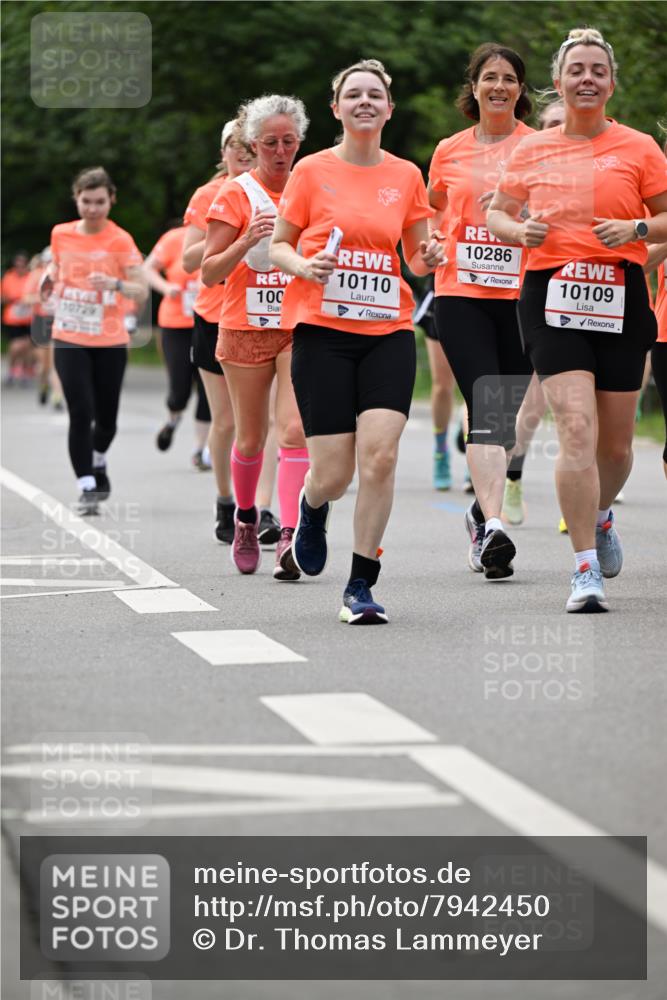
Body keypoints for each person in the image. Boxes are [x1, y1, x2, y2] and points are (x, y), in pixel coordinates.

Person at [488, 27, 667, 612]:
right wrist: (520, 231)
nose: (586, 79)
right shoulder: (533, 148)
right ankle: (583, 567)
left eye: (597, 70)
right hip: (550, 297)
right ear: (559, 83)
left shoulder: (640, 148)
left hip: (619, 294)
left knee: (615, 448)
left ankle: (603, 513)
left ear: (610, 83)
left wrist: (638, 230)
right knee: (577, 431)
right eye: (576, 70)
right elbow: (497, 214)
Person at [271, 59, 444, 622]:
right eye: (354, 95)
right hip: (322, 332)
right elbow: (278, 245)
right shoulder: (311, 171)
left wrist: (432, 256)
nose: (365, 102)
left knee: (380, 457)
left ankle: (361, 585)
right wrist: (305, 264)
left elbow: (417, 257)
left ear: (389, 109)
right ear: (336, 108)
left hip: (387, 332)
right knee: (335, 474)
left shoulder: (405, 175)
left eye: (375, 95)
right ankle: (312, 502)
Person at [428, 43, 535, 580]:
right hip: (460, 291)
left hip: (523, 295)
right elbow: (429, 210)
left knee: (503, 416)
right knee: (485, 399)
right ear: (473, 87)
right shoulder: (449, 149)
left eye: (509, 78)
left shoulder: (544, 147)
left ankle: (479, 514)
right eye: (489, 77)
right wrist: (429, 243)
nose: (498, 86)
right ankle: (494, 526)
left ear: (521, 89)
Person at [202, 96, 310, 581]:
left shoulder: (312, 186)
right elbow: (208, 272)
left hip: (296, 324)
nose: (281, 152)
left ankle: (290, 534)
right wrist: (247, 240)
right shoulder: (234, 193)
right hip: (244, 325)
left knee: (292, 430)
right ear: (253, 144)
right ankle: (246, 518)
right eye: (270, 143)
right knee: (250, 437)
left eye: (289, 142)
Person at [182, 121, 281, 546]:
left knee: (276, 420)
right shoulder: (211, 195)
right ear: (222, 152)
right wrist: (236, 237)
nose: (242, 152)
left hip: (270, 314)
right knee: (227, 421)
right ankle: (227, 500)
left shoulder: (280, 189)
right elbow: (190, 262)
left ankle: (262, 507)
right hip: (215, 316)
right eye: (233, 146)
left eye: (248, 145)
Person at [41, 167, 147, 514]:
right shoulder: (61, 234)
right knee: (80, 410)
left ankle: (99, 458)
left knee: (107, 419)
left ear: (111, 200)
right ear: (77, 199)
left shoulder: (121, 240)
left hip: (109, 339)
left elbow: (141, 290)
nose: (92, 209)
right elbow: (56, 271)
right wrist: (48, 280)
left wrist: (115, 285)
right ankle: (86, 484)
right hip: (69, 334)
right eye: (86, 201)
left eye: (100, 202)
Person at [502, 98, 565, 526]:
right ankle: (511, 477)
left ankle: (581, 502)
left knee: (578, 408)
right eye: (552, 124)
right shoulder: (529, 169)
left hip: (594, 300)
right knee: (530, 408)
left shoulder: (607, 168)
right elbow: (497, 220)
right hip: (535, 296)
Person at [143, 222, 212, 465]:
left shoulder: (229, 233)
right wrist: (165, 287)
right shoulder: (174, 238)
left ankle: (199, 450)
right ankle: (173, 420)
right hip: (176, 325)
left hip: (211, 321)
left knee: (209, 389)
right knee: (179, 388)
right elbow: (147, 268)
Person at [415, 274, 457, 490]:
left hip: (489, 293)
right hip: (445, 290)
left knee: (479, 385)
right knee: (442, 385)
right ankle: (441, 450)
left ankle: (476, 454)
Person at [2, 251, 34, 384]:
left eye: (22, 263)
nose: (20, 266)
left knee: (26, 346)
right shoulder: (8, 277)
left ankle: (25, 371)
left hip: (29, 317)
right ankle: (12, 369)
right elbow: (3, 297)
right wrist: (13, 299)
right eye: (18, 263)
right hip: (13, 317)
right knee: (16, 346)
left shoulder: (31, 277)